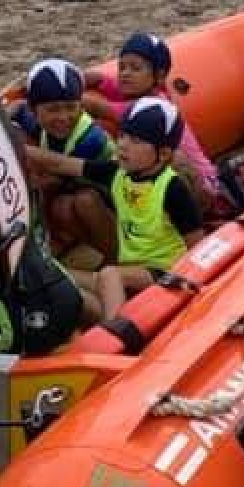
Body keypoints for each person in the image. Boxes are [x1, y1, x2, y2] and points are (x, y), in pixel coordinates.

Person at [24, 97, 204, 322]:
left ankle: (115, 337)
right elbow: (60, 164)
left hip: (165, 273)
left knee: (110, 274)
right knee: (58, 274)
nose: (122, 145)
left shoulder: (173, 189)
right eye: (122, 136)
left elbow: (199, 248)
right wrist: (18, 148)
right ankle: (124, 320)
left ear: (164, 154)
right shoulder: (116, 173)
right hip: (130, 271)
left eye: (136, 140)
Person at [80, 31, 221, 207]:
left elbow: (95, 107)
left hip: (202, 187)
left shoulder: (151, 107)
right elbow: (101, 80)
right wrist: (80, 78)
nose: (125, 73)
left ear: (159, 76)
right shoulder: (145, 90)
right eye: (122, 67)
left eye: (135, 68)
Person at [7, 57, 116, 265]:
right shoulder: (36, 120)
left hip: (116, 200)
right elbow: (19, 106)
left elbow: (56, 172)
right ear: (35, 110)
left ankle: (116, 258)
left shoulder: (89, 139)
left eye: (70, 107)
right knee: (61, 206)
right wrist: (5, 114)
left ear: (81, 105)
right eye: (53, 109)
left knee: (76, 201)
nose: (63, 117)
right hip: (81, 187)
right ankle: (64, 241)